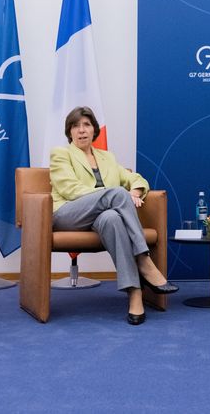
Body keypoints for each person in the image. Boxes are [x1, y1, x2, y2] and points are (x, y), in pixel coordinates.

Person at [50, 106, 178, 325]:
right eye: (76, 126)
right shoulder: (61, 154)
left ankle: (135, 294)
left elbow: (136, 178)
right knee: (117, 194)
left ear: (94, 130)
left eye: (87, 125)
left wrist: (135, 191)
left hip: (101, 217)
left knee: (112, 218)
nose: (81, 130)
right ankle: (144, 261)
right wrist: (113, 195)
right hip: (68, 214)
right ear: (69, 131)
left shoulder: (106, 157)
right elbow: (69, 189)